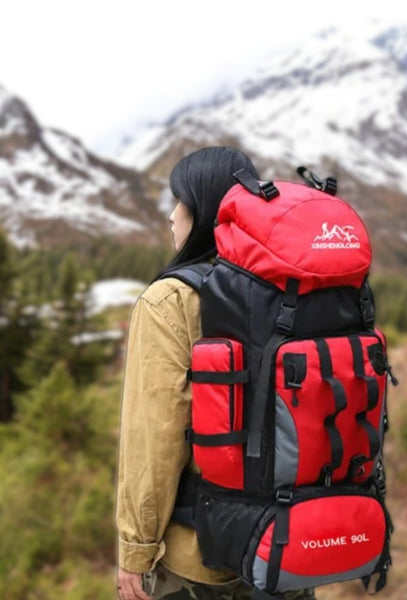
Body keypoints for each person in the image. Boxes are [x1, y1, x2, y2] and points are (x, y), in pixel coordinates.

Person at [115, 147, 315, 600]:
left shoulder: (171, 299)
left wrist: (136, 548)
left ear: (203, 210)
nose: (171, 215)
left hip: (199, 556)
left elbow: (154, 437)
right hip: (287, 542)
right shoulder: (290, 289)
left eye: (179, 201)